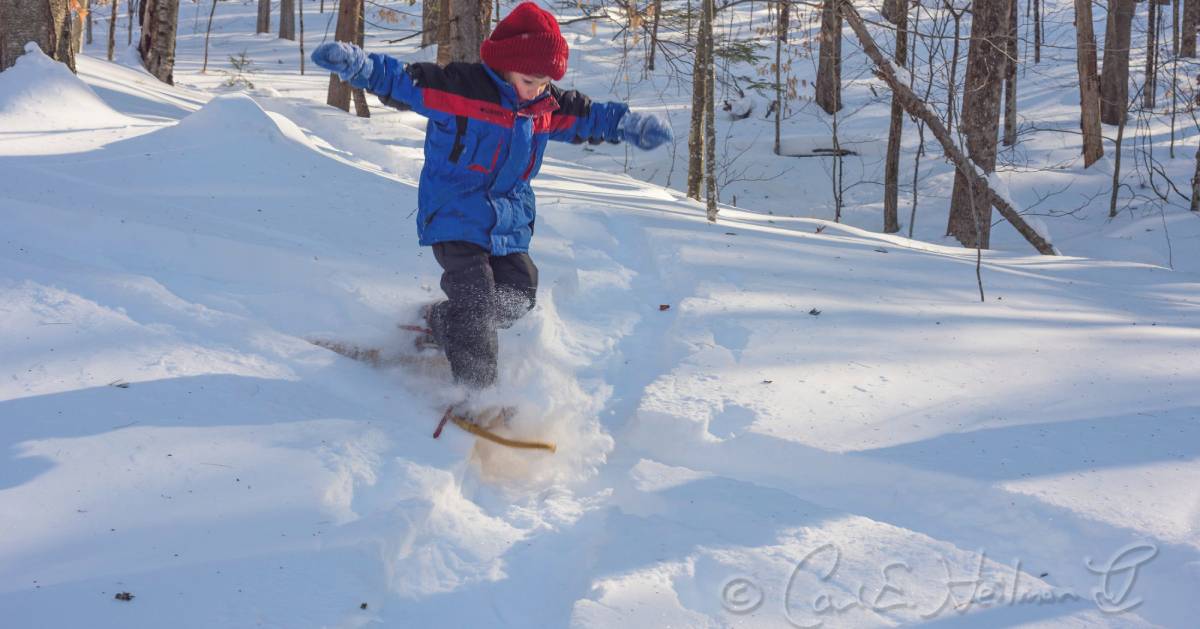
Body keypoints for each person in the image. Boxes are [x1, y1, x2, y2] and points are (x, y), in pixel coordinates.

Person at [311, 2, 671, 392]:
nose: (537, 90)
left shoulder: (543, 107)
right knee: (478, 300)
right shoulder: (461, 89)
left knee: (519, 294)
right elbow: (406, 84)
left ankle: (445, 323)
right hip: (454, 214)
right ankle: (476, 393)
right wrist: (358, 66)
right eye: (529, 80)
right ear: (505, 64)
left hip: (508, 222)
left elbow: (589, 117)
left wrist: (629, 125)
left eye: (544, 83)